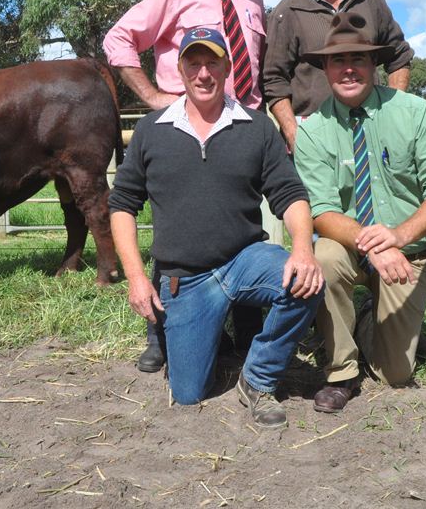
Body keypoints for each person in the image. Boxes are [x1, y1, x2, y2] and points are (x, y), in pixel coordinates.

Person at [108, 27, 324, 428]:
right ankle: (204, 334)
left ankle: (257, 378)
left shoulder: (257, 127)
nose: (203, 73)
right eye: (195, 63)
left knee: (305, 280)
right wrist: (137, 278)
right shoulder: (151, 131)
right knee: (188, 393)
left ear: (227, 68)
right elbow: (122, 205)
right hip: (185, 278)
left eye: (212, 63)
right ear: (179, 68)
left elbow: (290, 193)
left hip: (245, 259)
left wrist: (303, 249)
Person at [104, 0, 267, 371]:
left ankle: (246, 325)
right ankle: (160, 329)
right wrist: (155, 97)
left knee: (243, 223)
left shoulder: (253, 0)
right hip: (185, 121)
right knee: (176, 224)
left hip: (240, 125)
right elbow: (118, 39)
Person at [293, 13, 426, 413]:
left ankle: (366, 316)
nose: (348, 68)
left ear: (374, 65)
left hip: (406, 251)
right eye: (338, 60)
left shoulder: (415, 113)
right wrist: (374, 244)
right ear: (325, 69)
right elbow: (321, 211)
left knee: (395, 374)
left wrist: (398, 237)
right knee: (324, 257)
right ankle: (342, 372)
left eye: (359, 59)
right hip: (347, 247)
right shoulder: (313, 130)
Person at [263, 0, 414, 153]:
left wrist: (394, 114)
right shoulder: (287, 12)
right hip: (314, 135)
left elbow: (400, 58)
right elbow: (274, 79)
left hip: (371, 130)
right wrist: (294, 134)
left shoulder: (371, 2)